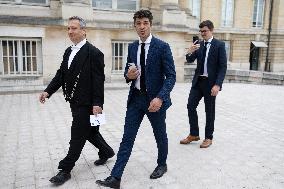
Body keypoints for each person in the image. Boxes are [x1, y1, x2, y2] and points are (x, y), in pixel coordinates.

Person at [96, 9, 176, 189]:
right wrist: (128, 75)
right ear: (134, 26)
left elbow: (171, 76)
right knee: (127, 138)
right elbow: (128, 72)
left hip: (155, 101)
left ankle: (162, 164)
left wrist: (160, 98)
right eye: (138, 24)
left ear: (150, 24)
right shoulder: (132, 47)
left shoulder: (162, 46)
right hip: (136, 99)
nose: (141, 27)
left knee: (160, 135)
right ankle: (116, 177)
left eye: (145, 23)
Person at [39, 16, 115, 185]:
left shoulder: (94, 53)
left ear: (83, 31)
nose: (70, 31)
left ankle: (65, 169)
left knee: (77, 135)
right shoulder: (68, 51)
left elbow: (98, 81)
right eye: (68, 28)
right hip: (73, 101)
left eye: (74, 28)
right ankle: (107, 151)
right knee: (90, 132)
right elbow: (61, 74)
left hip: (87, 104)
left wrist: (97, 104)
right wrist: (47, 91)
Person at [180, 20, 227, 148]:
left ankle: (208, 137)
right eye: (201, 31)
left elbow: (223, 67)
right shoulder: (199, 44)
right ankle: (194, 134)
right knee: (190, 106)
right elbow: (190, 60)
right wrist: (189, 50)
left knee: (209, 111)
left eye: (204, 31)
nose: (202, 34)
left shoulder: (219, 45)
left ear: (211, 30)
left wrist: (217, 85)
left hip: (211, 84)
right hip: (198, 82)